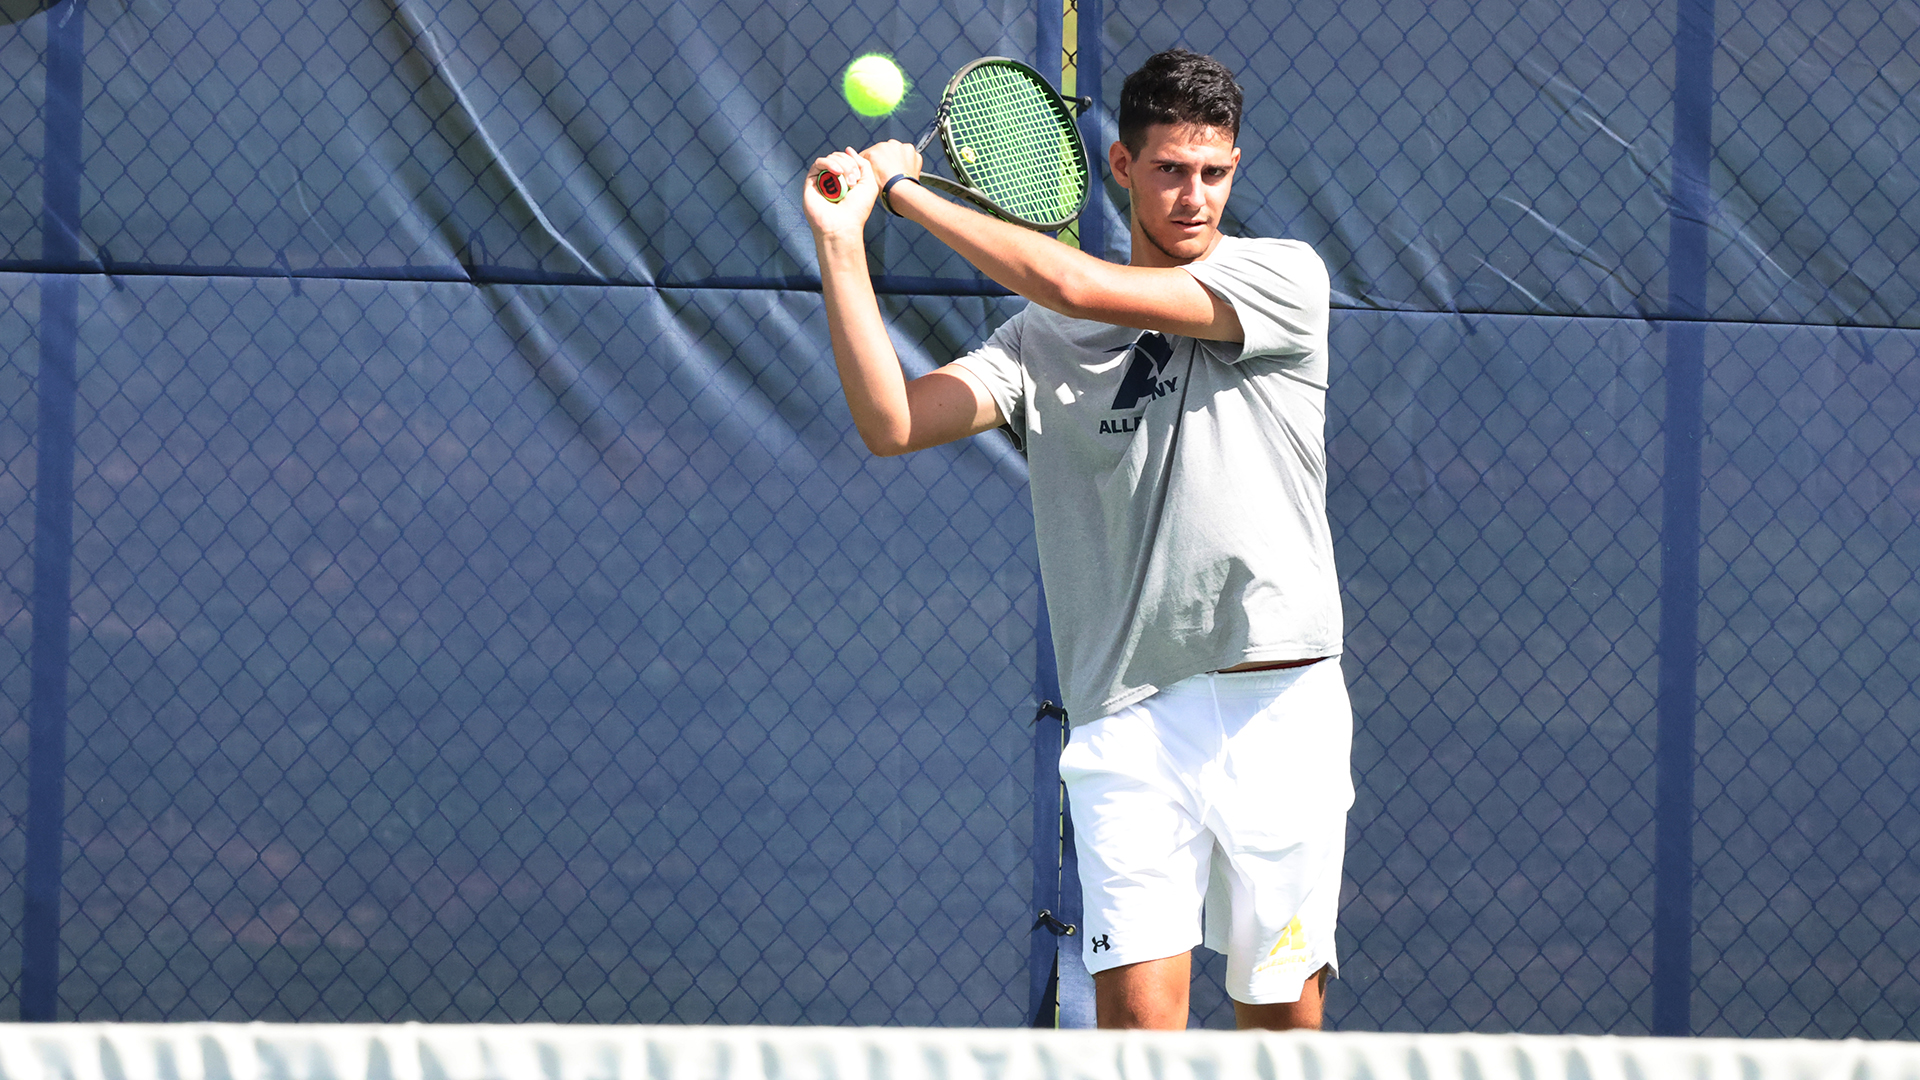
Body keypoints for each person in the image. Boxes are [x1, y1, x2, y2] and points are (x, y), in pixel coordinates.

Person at [803, 48, 1353, 1031]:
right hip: (1127, 722)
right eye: (1173, 170)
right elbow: (890, 421)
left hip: (1278, 704)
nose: (1196, 197)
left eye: (1215, 172)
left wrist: (906, 193)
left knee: (1282, 1028)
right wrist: (843, 242)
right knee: (1137, 1039)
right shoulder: (1034, 343)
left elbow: (1081, 288)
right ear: (1120, 168)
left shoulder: (1282, 281)